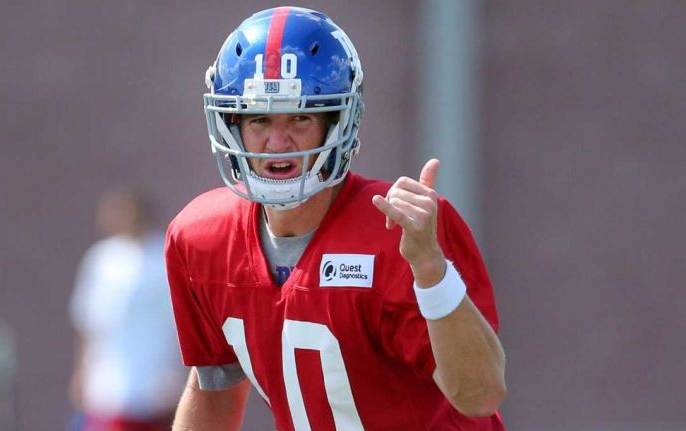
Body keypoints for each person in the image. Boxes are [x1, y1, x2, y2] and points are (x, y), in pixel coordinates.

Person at [166, 6, 506, 430]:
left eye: (300, 117)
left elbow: (480, 395)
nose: (276, 142)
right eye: (259, 119)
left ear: (338, 123)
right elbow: (214, 391)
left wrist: (431, 271)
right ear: (230, 123)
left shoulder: (401, 229)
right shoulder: (202, 239)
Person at [69, 188, 187, 431]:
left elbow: (181, 321)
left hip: (156, 382)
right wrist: (81, 371)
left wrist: (183, 375)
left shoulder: (164, 257)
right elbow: (88, 321)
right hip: (108, 384)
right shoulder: (102, 259)